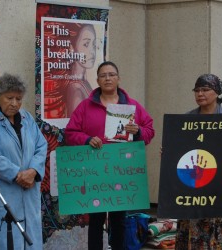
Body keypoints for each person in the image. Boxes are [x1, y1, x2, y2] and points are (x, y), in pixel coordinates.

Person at [64, 61, 155, 250]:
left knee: (119, 219)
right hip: (95, 172)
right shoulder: (85, 107)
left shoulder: (132, 106)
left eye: (111, 74)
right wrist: (87, 139)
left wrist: (137, 131)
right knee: (96, 221)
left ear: (118, 78)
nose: (107, 78)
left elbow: (149, 131)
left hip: (121, 171)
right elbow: (70, 133)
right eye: (103, 75)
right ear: (97, 80)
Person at [0, 73, 47, 250]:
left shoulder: (27, 118)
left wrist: (34, 171)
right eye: (10, 98)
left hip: (29, 192)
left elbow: (41, 146)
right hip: (2, 193)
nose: (15, 103)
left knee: (31, 240)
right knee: (6, 241)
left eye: (19, 99)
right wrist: (18, 175)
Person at [175, 73, 222, 249]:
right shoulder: (188, 118)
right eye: (197, 90)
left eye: (205, 90)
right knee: (195, 220)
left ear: (216, 92)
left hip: (221, 182)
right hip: (193, 182)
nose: (200, 94)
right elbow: (180, 149)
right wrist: (170, 152)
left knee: (219, 224)